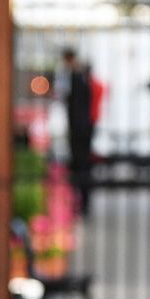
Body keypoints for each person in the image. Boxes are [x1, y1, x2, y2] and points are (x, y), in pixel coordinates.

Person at [57, 48, 94, 215]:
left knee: (81, 166)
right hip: (81, 128)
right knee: (81, 166)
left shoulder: (76, 77)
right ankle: (81, 203)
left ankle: (82, 203)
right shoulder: (81, 77)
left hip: (79, 130)